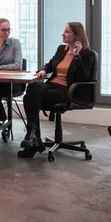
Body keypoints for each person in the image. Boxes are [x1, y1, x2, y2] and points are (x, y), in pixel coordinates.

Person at [18, 22, 96, 158]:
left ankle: (33, 139)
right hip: (51, 87)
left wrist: (77, 55)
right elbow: (50, 64)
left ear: (76, 35)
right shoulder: (62, 49)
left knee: (30, 94)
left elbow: (83, 77)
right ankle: (33, 138)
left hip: (68, 91)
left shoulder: (87, 54)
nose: (63, 34)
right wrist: (43, 70)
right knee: (32, 91)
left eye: (67, 32)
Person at [0, 18, 23, 126]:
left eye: (8, 30)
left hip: (14, 83)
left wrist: (0, 67)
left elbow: (17, 65)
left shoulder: (15, 43)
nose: (7, 33)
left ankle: (1, 120)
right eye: (3, 30)